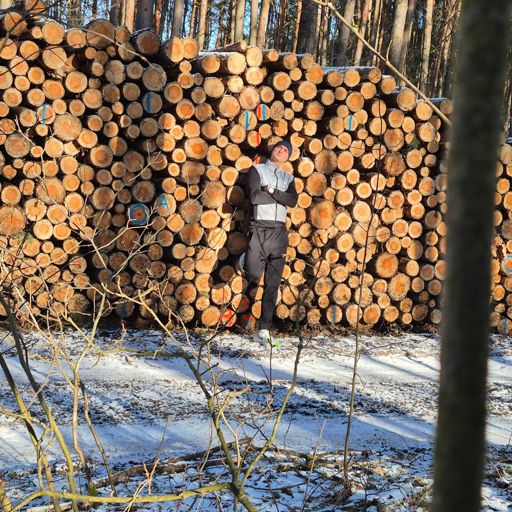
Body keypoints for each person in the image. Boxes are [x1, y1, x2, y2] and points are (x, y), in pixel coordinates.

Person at [242, 140, 298, 347]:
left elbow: (292, 201)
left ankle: (264, 329)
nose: (281, 150)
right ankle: (244, 260)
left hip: (279, 232)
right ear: (272, 151)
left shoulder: (288, 177)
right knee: (253, 273)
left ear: (288, 157)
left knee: (273, 283)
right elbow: (255, 196)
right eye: (278, 148)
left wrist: (272, 192)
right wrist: (280, 197)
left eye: (285, 150)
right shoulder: (257, 170)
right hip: (259, 228)